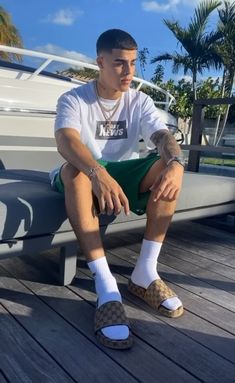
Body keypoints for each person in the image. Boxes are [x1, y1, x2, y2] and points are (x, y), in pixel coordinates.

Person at [50, 29, 185, 350]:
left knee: (168, 167)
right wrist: (97, 171)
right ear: (100, 62)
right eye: (120, 64)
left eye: (134, 64)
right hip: (82, 172)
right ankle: (105, 284)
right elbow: (66, 141)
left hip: (122, 172)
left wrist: (177, 163)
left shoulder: (140, 101)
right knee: (75, 172)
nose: (129, 72)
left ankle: (145, 273)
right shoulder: (74, 98)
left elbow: (162, 138)